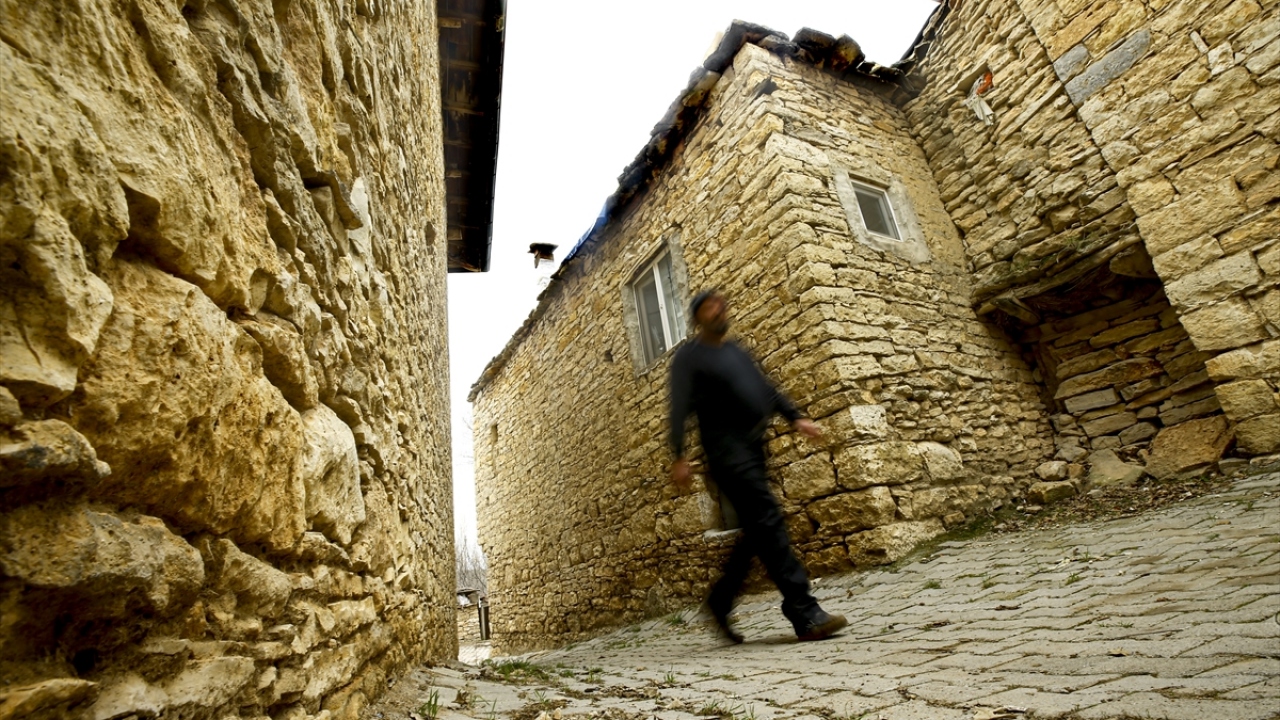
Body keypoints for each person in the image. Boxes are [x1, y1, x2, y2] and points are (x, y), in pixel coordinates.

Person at [669, 289, 848, 643]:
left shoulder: (737, 352)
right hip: (726, 452)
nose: (719, 309)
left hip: (754, 446)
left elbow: (766, 390)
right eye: (709, 307)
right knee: (767, 518)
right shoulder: (688, 358)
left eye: (722, 304)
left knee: (758, 529)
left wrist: (796, 418)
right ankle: (804, 610)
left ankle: (720, 601)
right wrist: (678, 456)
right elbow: (677, 408)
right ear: (697, 318)